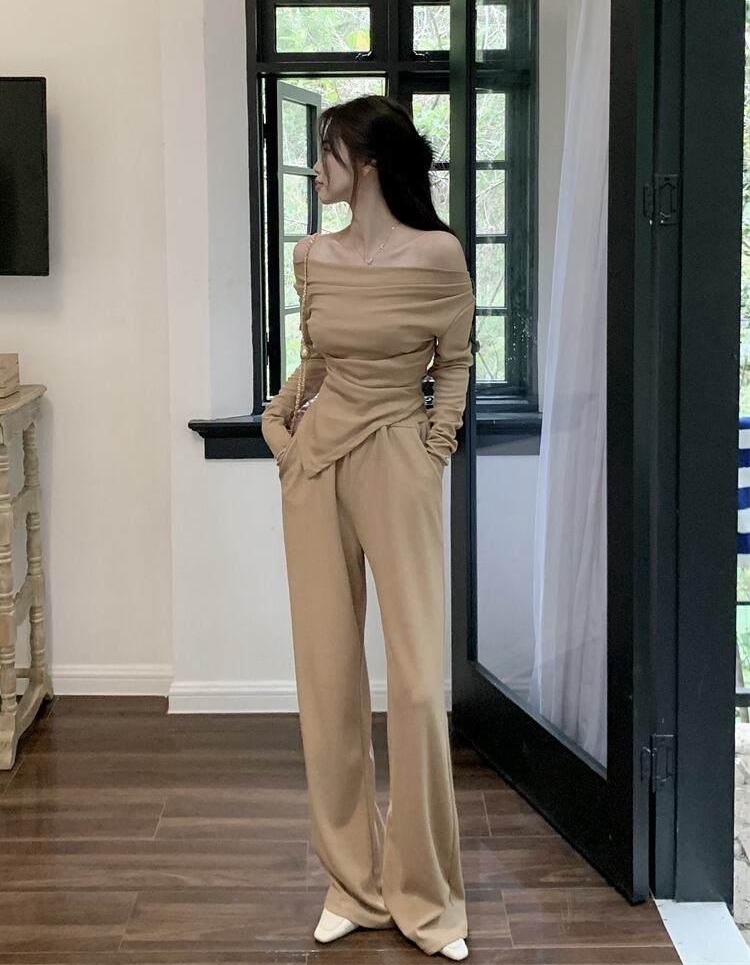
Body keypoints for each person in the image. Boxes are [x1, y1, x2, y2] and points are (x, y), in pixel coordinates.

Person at [261, 95, 476, 960]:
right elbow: (316, 360)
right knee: (328, 679)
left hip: (398, 458)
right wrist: (278, 426)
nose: (317, 168)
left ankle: (427, 898)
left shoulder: (439, 256)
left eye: (330, 153)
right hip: (316, 465)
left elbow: (454, 363)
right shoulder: (312, 255)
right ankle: (354, 884)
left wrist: (435, 447)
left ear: (371, 163)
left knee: (417, 684)